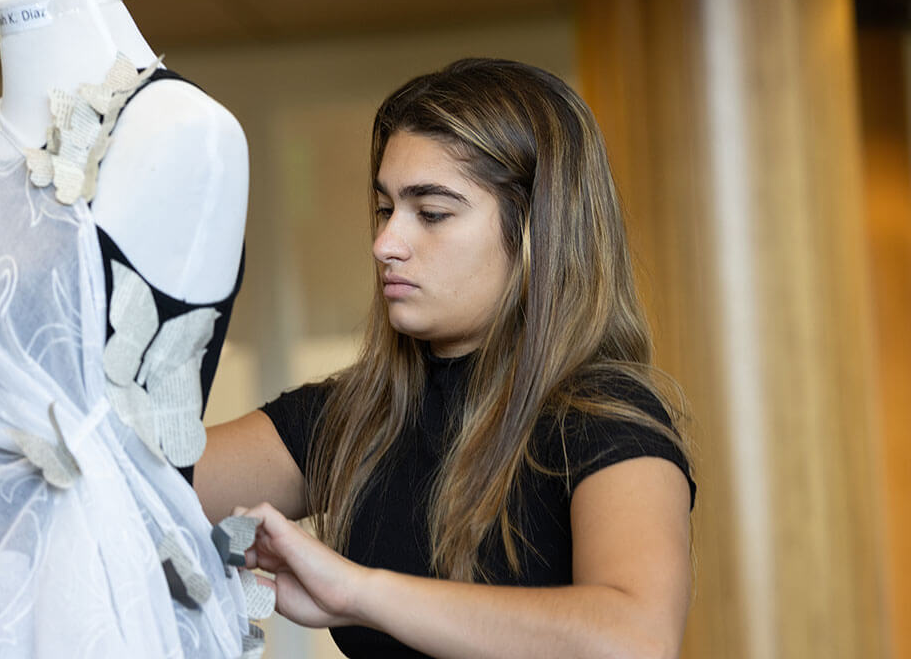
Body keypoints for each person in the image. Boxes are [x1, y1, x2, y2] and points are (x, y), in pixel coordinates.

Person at [194, 58, 696, 659]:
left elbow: (635, 639)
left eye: (431, 213)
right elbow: (125, 484)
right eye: (385, 209)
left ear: (539, 230)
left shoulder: (603, 418)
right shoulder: (353, 418)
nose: (386, 243)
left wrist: (359, 593)